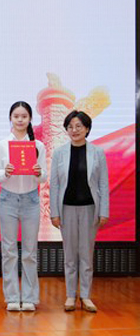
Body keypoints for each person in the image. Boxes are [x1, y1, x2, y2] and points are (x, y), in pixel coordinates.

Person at [49, 110, 109, 313]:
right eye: (70, 127)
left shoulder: (97, 152)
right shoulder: (59, 153)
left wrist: (104, 211)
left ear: (87, 129)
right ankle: (70, 295)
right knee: (70, 255)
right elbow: (54, 185)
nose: (74, 130)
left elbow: (103, 184)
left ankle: (85, 296)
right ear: (66, 130)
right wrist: (54, 212)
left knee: (86, 254)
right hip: (66, 209)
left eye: (78, 126)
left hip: (90, 209)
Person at [0, 101, 46, 312]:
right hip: (8, 200)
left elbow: (43, 177)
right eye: (16, 116)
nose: (20, 120)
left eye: (24, 116)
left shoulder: (38, 146)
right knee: (9, 251)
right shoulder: (2, 145)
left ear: (30, 119)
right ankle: (12, 297)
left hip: (31, 200)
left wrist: (39, 173)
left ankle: (29, 297)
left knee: (30, 252)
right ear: (10, 119)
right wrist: (5, 172)